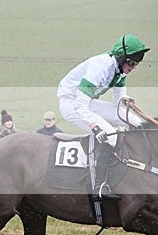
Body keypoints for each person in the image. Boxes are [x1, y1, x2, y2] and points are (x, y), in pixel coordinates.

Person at [57, 33, 150, 199]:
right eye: (131, 62)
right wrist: (94, 125)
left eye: (136, 64)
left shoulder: (119, 70)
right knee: (110, 136)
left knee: (135, 122)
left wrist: (125, 99)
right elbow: (79, 105)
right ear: (122, 58)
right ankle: (100, 185)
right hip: (72, 104)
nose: (133, 67)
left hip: (87, 102)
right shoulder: (100, 67)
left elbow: (119, 95)